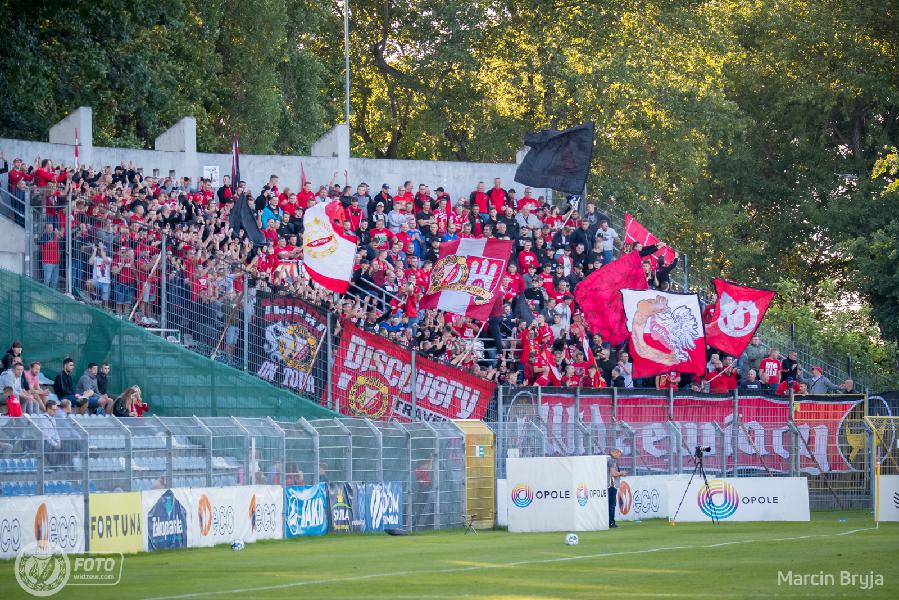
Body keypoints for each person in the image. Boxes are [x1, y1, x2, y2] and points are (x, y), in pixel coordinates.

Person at [607, 448, 626, 528]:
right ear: (616, 452)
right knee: (612, 504)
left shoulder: (607, 458)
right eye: (619, 454)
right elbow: (613, 474)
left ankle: (609, 522)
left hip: (607, 485)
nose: (620, 456)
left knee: (609, 504)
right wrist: (621, 473)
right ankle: (611, 522)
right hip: (611, 485)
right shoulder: (612, 460)